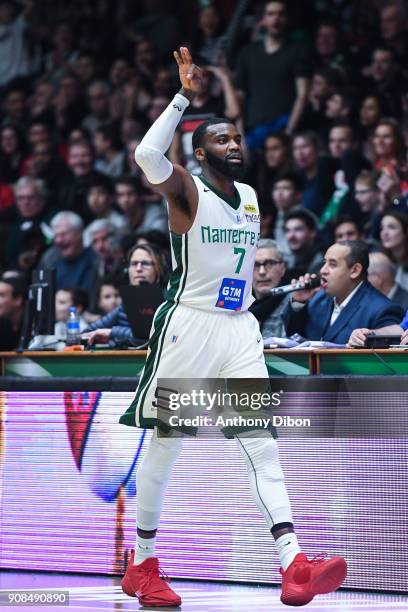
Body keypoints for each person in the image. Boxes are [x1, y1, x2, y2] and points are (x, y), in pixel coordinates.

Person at [118, 46, 347, 609]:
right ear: (200, 153)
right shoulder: (187, 190)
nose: (234, 146)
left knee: (261, 443)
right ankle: (142, 563)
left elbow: (237, 271)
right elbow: (146, 153)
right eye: (221, 139)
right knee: (168, 444)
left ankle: (293, 563)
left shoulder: (249, 198)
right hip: (188, 329)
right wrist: (182, 99)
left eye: (238, 138)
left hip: (238, 329)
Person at [284, 240, 403, 344]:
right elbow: (294, 339)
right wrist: (298, 302)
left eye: (332, 264)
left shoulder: (382, 309)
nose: (323, 270)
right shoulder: (318, 299)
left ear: (355, 270)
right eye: (324, 262)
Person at [235, 0, 312, 148]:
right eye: (271, 14)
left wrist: (289, 132)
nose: (276, 18)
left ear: (287, 19)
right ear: (263, 20)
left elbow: (303, 94)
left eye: (281, 14)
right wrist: (241, 136)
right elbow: (240, 97)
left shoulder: (298, 50)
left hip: (285, 127)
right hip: (254, 132)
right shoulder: (247, 52)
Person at [82, 243, 165, 347]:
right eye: (134, 264)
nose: (139, 269)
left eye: (145, 263)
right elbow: (89, 332)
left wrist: (112, 333)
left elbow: (151, 337)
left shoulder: (166, 301)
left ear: (158, 269)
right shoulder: (127, 301)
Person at [250, 239, 288, 338]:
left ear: (283, 268)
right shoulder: (240, 306)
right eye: (255, 265)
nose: (262, 272)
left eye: (270, 263)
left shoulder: (295, 302)